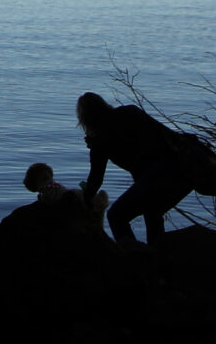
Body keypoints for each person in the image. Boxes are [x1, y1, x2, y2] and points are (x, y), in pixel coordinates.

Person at [75, 91, 203, 246]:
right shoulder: (130, 111)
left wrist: (86, 199)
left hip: (158, 174)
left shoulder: (100, 138)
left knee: (116, 216)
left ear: (85, 118)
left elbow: (96, 179)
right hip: (184, 166)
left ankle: (133, 259)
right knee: (153, 212)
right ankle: (156, 255)